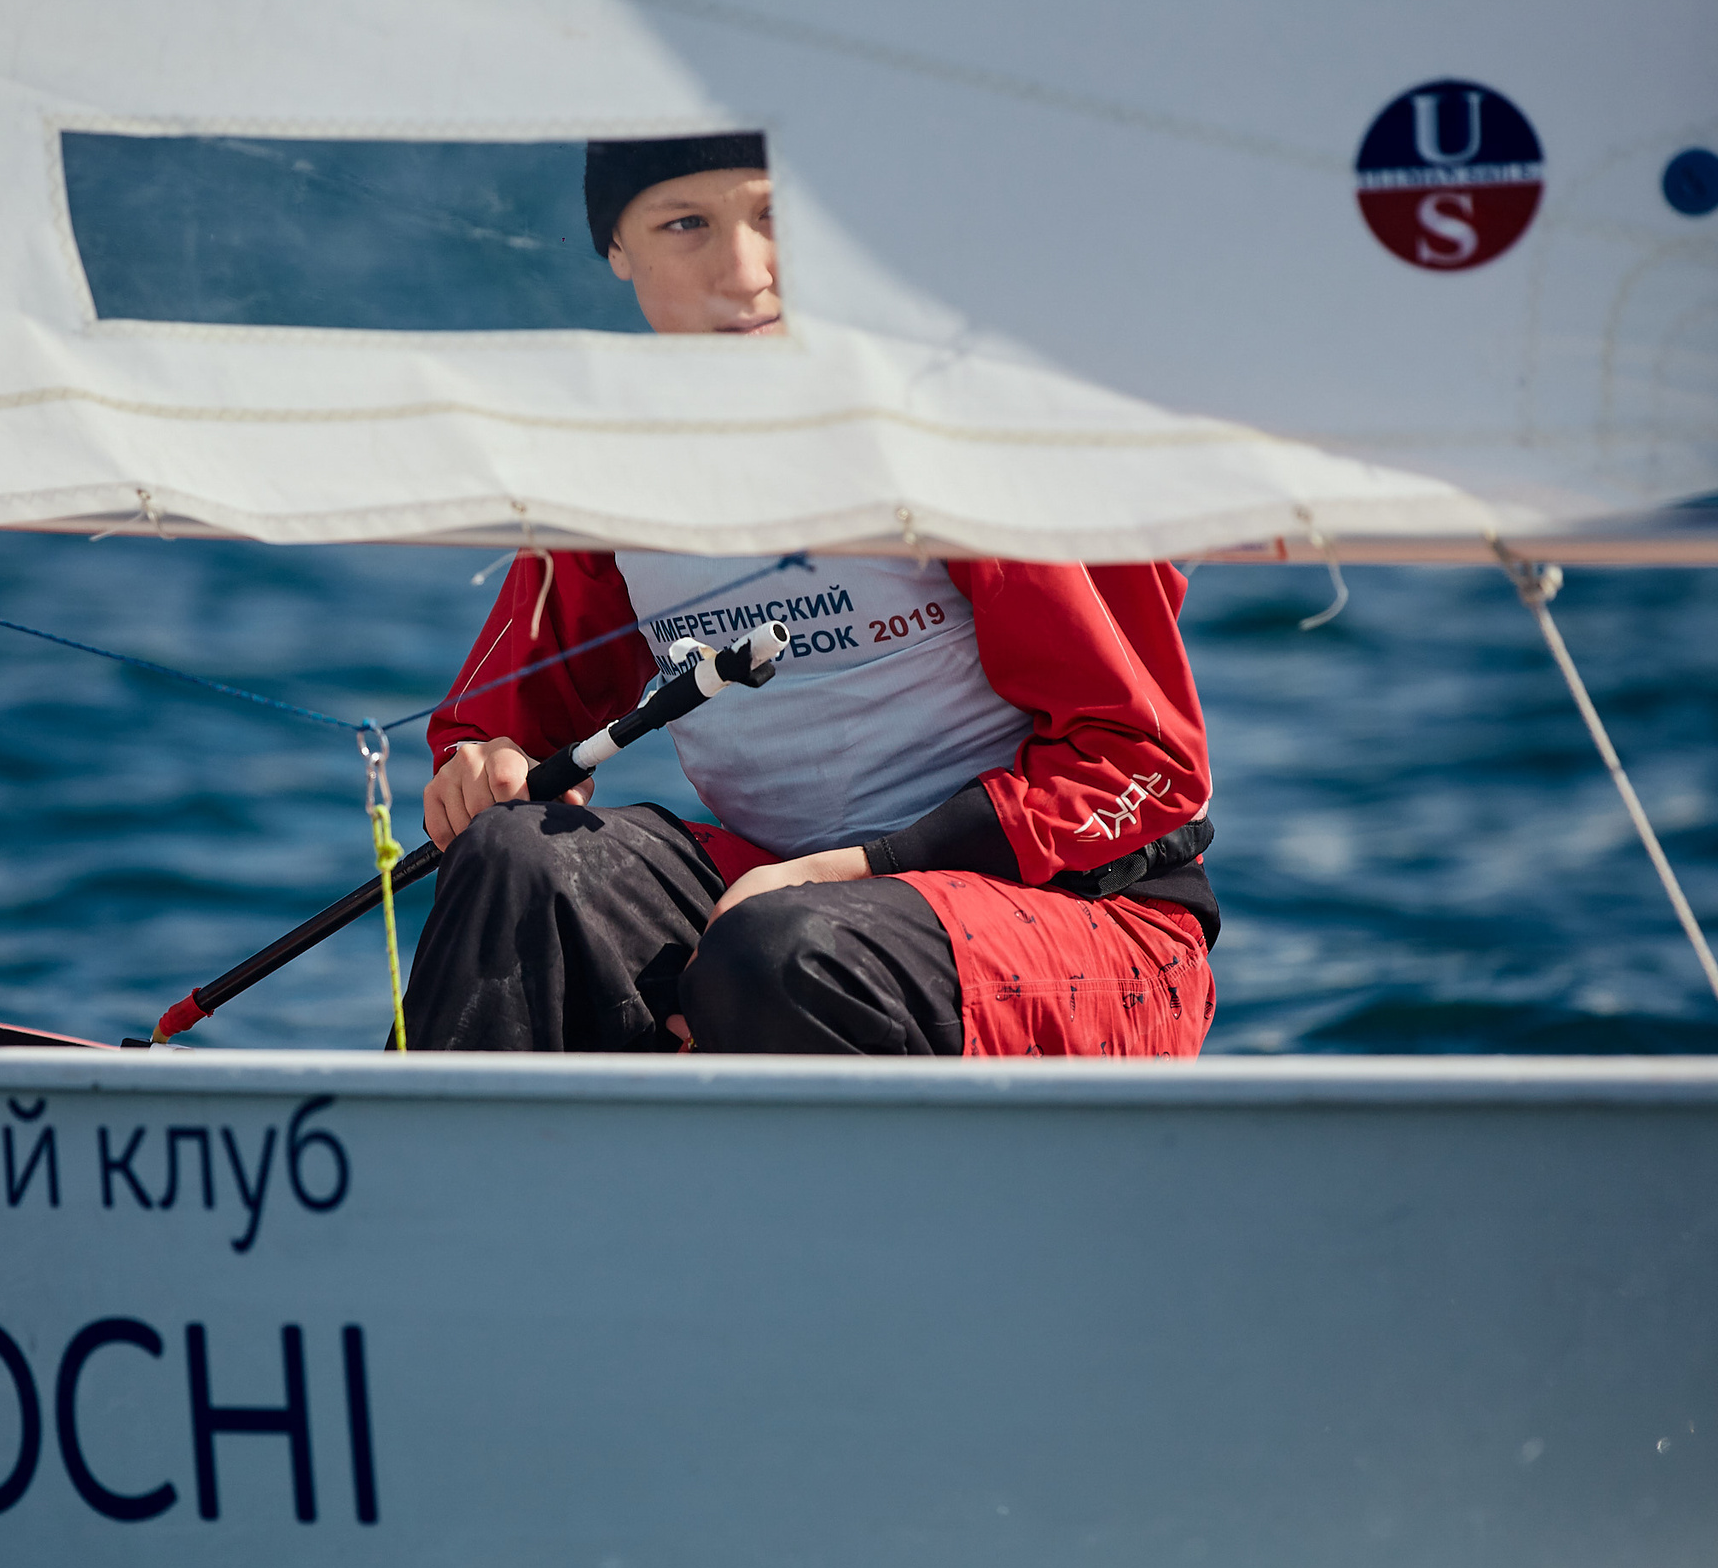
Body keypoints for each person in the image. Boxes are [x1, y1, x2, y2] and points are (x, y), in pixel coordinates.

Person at [403, 132, 1218, 1056]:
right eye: (685, 225)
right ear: (616, 248)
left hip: (1088, 921)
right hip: (782, 904)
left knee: (781, 952)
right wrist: (483, 763)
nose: (745, 273)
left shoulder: (970, 434)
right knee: (515, 857)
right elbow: (505, 727)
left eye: (776, 216)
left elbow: (1146, 769)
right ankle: (428, 1180)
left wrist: (859, 869)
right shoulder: (610, 469)